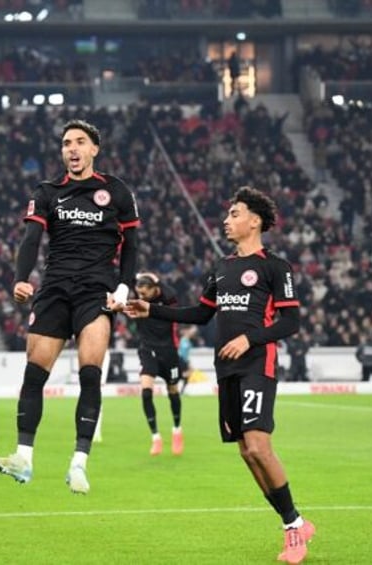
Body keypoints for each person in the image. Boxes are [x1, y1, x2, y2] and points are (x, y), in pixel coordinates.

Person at [127, 187, 314, 564]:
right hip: (225, 367)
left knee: (260, 446)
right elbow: (200, 313)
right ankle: (292, 520)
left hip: (256, 364)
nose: (226, 220)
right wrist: (152, 310)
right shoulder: (222, 267)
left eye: (234, 214)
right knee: (247, 452)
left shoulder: (275, 267)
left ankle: (294, 529)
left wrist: (250, 338)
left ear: (254, 221)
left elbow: (291, 321)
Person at [0, 119, 140, 495]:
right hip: (54, 289)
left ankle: (79, 463)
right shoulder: (48, 191)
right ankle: (23, 458)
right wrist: (22, 278)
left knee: (90, 371)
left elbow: (132, 246)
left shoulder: (116, 191)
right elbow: (31, 238)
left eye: (80, 142)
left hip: (96, 292)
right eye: (66, 143)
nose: (71, 148)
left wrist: (124, 287)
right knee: (34, 374)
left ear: (94, 149)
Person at [133, 271, 184, 456]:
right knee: (146, 392)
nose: (141, 297)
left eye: (145, 293)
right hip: (148, 349)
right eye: (139, 293)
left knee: (173, 391)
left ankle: (177, 430)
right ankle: (155, 437)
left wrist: (156, 279)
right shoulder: (137, 301)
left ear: (155, 289)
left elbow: (170, 292)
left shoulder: (168, 299)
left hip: (169, 351)